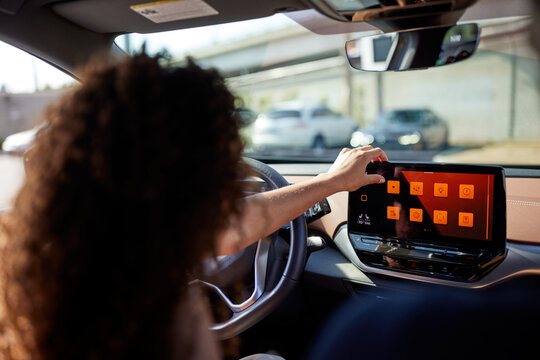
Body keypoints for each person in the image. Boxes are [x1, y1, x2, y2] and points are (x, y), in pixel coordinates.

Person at [0, 52, 387, 360]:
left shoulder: (26, 266)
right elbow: (232, 229)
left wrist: (329, 183)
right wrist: (331, 183)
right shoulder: (160, 309)